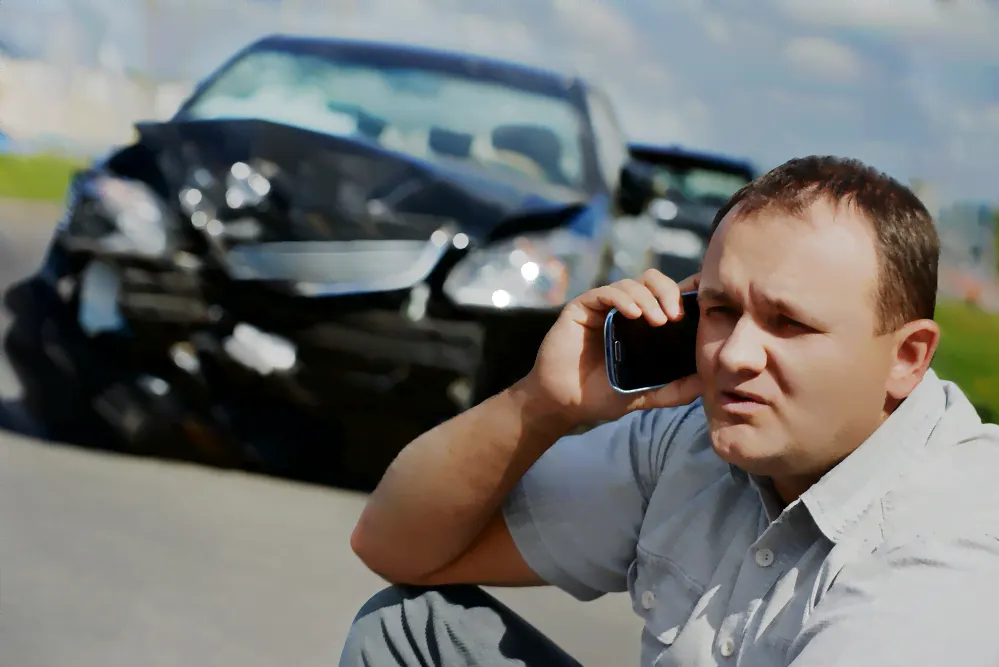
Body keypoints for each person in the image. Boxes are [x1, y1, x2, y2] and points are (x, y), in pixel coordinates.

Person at [339, 156, 999, 667]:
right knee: (410, 631)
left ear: (907, 356)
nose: (735, 355)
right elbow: (397, 546)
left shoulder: (954, 532)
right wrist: (540, 405)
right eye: (720, 310)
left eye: (788, 323)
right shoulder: (692, 436)